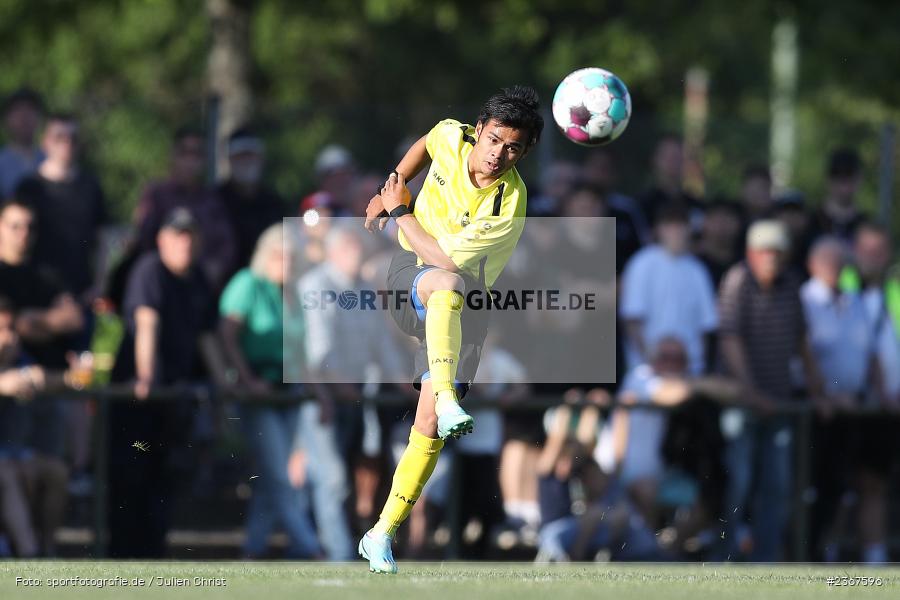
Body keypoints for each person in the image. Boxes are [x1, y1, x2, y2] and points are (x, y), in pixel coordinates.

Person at [357, 86, 543, 573]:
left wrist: (399, 209)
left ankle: (380, 534)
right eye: (494, 139)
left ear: (525, 153)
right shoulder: (451, 136)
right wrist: (393, 184)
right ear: (478, 130)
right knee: (443, 284)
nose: (499, 154)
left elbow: (450, 260)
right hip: (411, 275)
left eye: (513, 148)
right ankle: (445, 396)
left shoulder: (509, 202)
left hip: (467, 308)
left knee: (427, 429)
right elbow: (424, 144)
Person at [108, 208, 216, 557]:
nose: (185, 242)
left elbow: (207, 336)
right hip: (138, 399)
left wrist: (227, 381)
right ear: (162, 240)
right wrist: (145, 377)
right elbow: (146, 323)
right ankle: (121, 557)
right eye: (178, 235)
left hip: (169, 398)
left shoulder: (197, 278)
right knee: (131, 477)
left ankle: (153, 554)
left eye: (190, 235)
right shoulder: (150, 269)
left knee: (162, 478)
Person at [717, 219, 825, 561]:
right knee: (738, 481)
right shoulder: (737, 281)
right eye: (765, 251)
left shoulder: (790, 286)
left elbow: (801, 342)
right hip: (742, 403)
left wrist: (817, 389)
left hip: (779, 403)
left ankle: (764, 560)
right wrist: (750, 392)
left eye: (777, 252)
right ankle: (724, 555)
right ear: (751, 253)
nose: (771, 258)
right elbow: (730, 340)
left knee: (777, 486)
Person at [218, 223, 320, 558]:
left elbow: (302, 349)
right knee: (279, 474)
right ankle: (310, 547)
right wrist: (247, 379)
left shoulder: (292, 293)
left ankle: (253, 548)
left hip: (287, 392)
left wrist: (317, 391)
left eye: (291, 256)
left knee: (270, 478)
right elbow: (227, 335)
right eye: (279, 256)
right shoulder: (248, 283)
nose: (285, 262)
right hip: (258, 393)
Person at [0, 296, 86, 557]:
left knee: (56, 471)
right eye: (1, 330)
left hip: (16, 456)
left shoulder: (21, 361)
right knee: (7, 474)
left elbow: (42, 377)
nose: (9, 338)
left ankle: (48, 550)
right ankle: (29, 553)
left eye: (10, 329)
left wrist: (75, 376)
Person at [15, 113, 107, 299]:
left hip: (82, 294)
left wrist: (100, 284)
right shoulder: (29, 187)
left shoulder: (91, 186)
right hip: (37, 293)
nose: (67, 143)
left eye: (73, 138)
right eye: (59, 137)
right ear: (45, 142)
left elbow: (102, 240)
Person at [133, 127, 236, 290]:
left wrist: (211, 272)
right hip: (162, 285)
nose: (190, 160)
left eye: (197, 154)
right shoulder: (156, 195)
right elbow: (144, 242)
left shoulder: (212, 200)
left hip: (202, 288)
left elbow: (226, 247)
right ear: (172, 156)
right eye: (184, 153)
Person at [620, 204, 719, 375]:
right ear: (659, 229)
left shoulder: (698, 270)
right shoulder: (641, 264)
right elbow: (632, 319)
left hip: (689, 373)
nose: (676, 232)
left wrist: (697, 367)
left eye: (681, 226)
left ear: (689, 229)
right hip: (648, 372)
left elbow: (705, 327)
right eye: (670, 226)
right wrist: (650, 362)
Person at [217, 127, 285, 274]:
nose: (246, 161)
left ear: (261, 159)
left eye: (250, 156)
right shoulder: (215, 201)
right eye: (240, 156)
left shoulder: (275, 203)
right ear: (229, 160)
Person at [636, 135, 702, 229]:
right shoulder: (637, 206)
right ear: (654, 160)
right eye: (667, 156)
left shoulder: (696, 207)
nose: (672, 162)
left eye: (677, 156)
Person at [810, 148, 867, 242]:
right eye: (836, 174)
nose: (842, 181)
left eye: (849, 174)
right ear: (827, 179)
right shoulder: (810, 223)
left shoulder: (866, 227)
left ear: (860, 178)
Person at [0, 89, 44, 198]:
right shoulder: (2, 162)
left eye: (30, 110)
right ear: (7, 119)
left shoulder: (50, 159)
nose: (24, 117)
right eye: (18, 110)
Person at [697, 200, 743, 288]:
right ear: (704, 223)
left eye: (728, 218)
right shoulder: (694, 264)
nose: (722, 225)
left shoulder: (745, 264)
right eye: (716, 219)